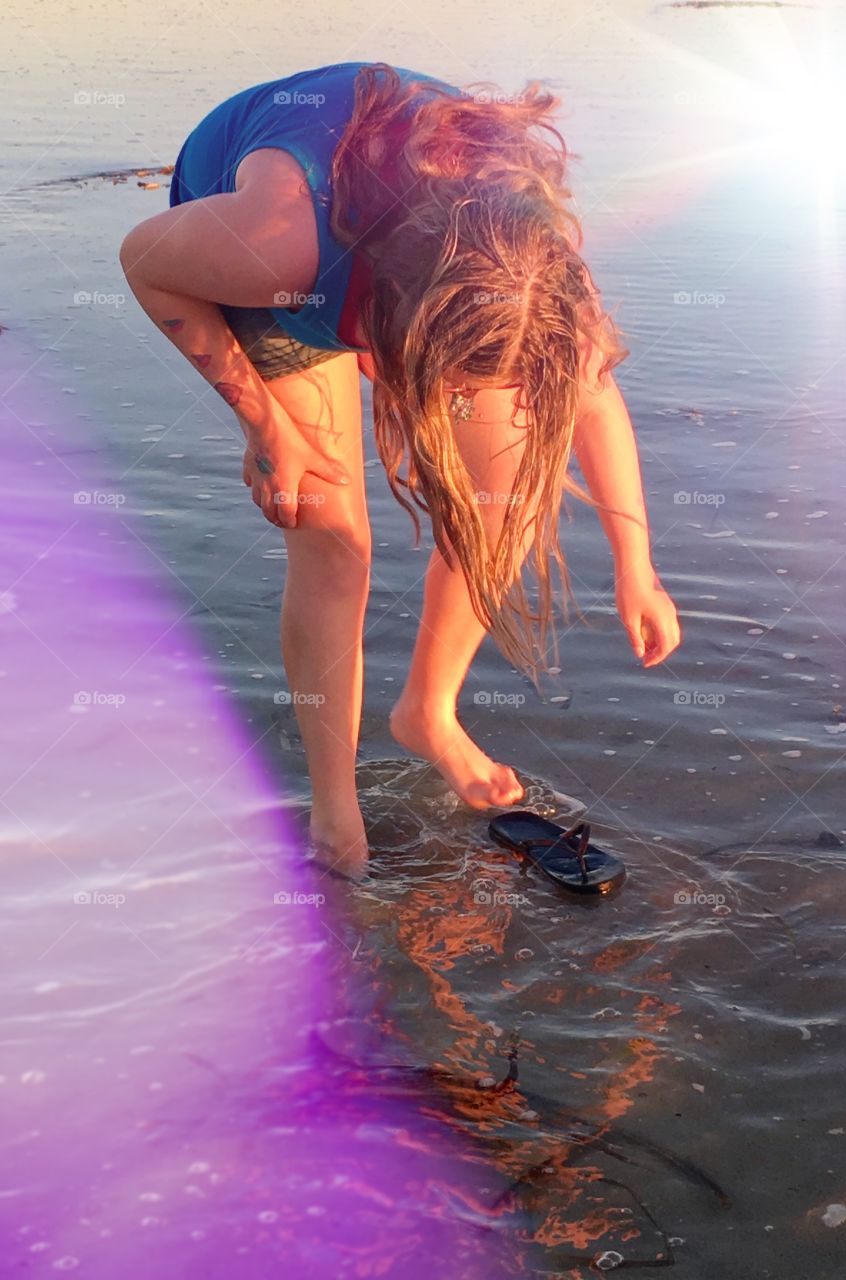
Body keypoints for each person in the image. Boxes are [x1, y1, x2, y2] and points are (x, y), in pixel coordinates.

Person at [119, 61, 682, 877]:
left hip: (425, 247)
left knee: (504, 492)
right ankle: (333, 812)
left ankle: (430, 712)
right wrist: (263, 422)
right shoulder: (275, 247)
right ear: (393, 330)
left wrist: (638, 567)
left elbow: (590, 399)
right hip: (273, 250)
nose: (450, 408)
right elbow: (146, 262)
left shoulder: (538, 274)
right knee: (329, 527)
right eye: (442, 385)